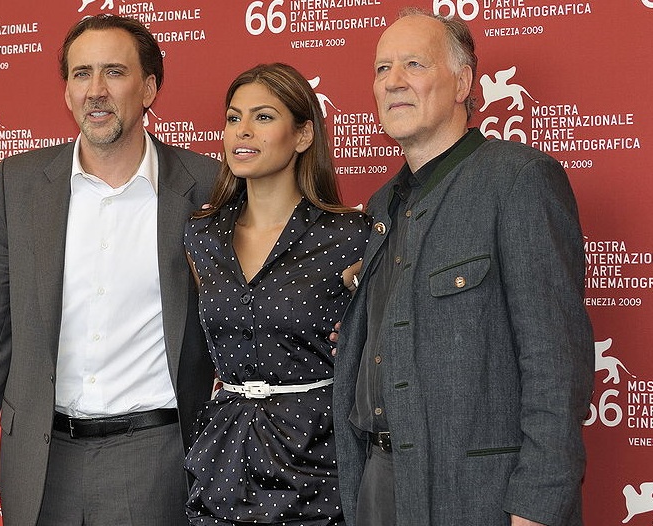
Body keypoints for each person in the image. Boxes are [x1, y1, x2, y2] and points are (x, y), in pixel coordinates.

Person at [0, 14, 219, 526]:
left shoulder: (207, 187)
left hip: (157, 461)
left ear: (149, 87)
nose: (96, 91)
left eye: (114, 71)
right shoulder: (17, 185)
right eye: (81, 74)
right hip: (42, 464)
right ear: (66, 92)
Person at [331, 8, 594, 526]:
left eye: (413, 65)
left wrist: (538, 505)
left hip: (479, 497)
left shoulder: (518, 181)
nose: (393, 82)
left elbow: (556, 362)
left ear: (464, 82)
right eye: (382, 69)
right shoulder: (383, 203)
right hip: (379, 482)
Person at [183, 63, 370, 525]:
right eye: (233, 118)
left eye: (263, 117)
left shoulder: (351, 235)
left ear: (303, 135)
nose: (242, 131)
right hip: (222, 461)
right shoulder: (200, 235)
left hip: (317, 462)